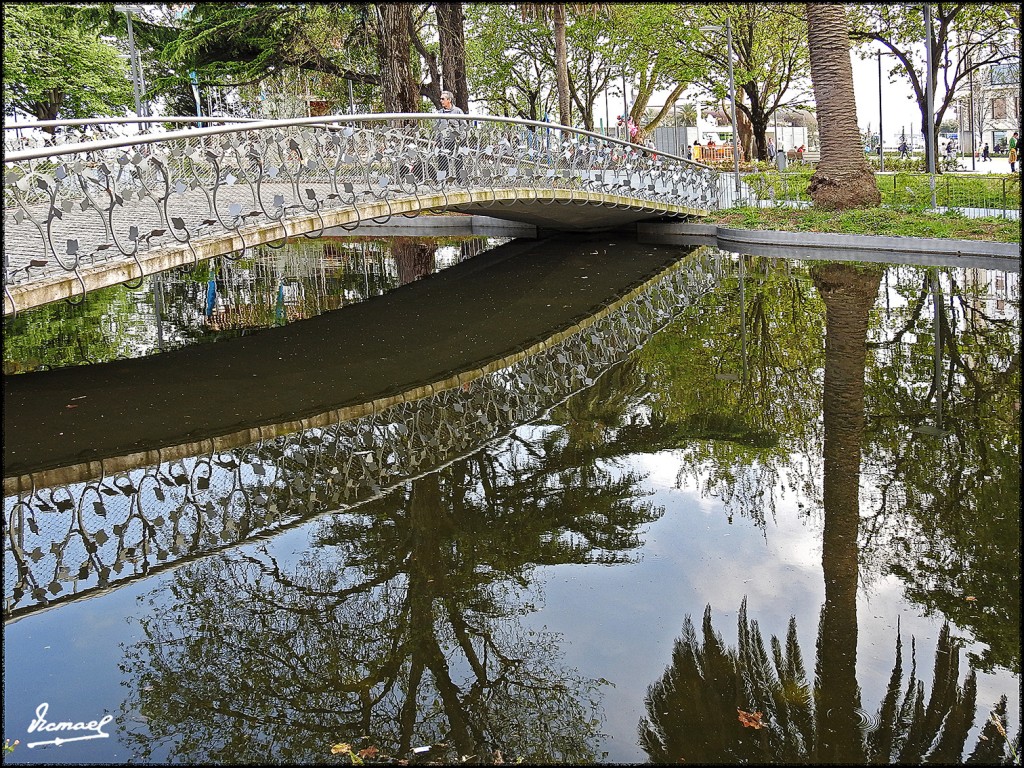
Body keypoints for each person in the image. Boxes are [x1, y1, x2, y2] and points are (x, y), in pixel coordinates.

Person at [436, 89, 466, 182]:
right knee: (442, 162)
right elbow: (438, 127)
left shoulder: (458, 111)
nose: (441, 101)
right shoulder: (440, 113)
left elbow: (464, 126)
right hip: (444, 142)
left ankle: (460, 183)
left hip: (456, 142)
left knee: (458, 162)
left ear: (449, 100)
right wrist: (436, 140)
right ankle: (441, 182)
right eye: (441, 99)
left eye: (443, 99)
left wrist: (460, 138)